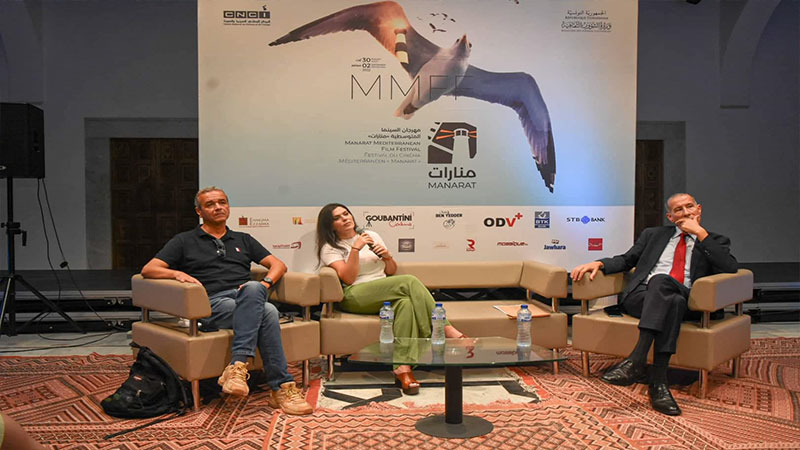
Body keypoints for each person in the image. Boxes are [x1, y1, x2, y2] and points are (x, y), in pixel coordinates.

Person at [141, 186, 313, 415]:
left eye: (222, 202)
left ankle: (238, 369)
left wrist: (265, 284)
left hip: (247, 298)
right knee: (268, 310)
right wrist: (176, 274)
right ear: (199, 211)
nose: (218, 207)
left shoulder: (243, 239)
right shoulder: (184, 240)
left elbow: (278, 265)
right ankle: (280, 387)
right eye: (210, 204)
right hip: (212, 304)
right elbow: (149, 269)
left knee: (258, 295)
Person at [571, 193, 737, 416]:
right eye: (678, 210)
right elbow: (627, 259)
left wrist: (700, 234)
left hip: (690, 300)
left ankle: (637, 361)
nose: (686, 212)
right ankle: (658, 383)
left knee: (668, 290)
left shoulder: (715, 240)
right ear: (670, 217)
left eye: (689, 207)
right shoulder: (653, 235)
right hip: (643, 297)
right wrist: (600, 263)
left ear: (699, 209)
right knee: (668, 294)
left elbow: (730, 268)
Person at [316, 203, 467, 395]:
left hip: (384, 290)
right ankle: (444, 327)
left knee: (405, 304)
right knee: (409, 281)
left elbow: (391, 271)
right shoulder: (330, 248)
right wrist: (355, 249)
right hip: (355, 294)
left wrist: (387, 257)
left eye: (346, 214)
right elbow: (348, 278)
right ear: (330, 225)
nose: (345, 218)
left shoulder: (371, 235)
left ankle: (403, 368)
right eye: (337, 218)